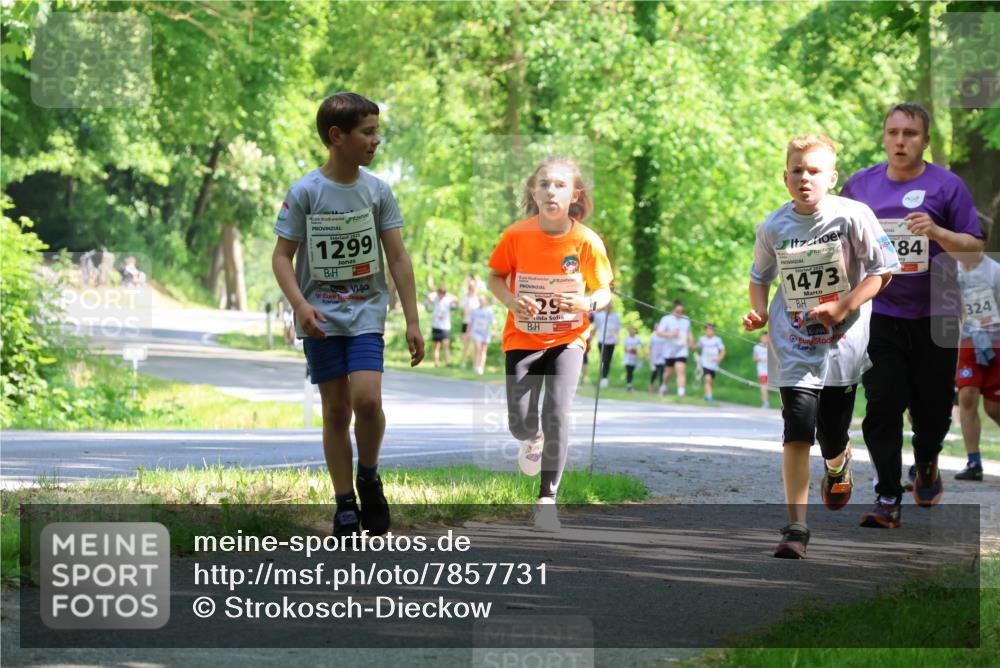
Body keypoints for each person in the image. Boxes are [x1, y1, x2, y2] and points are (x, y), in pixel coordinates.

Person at [272, 92, 425, 538]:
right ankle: (344, 503)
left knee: (367, 400)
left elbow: (397, 257)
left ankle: (369, 475)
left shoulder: (377, 191)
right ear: (336, 137)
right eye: (368, 132)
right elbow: (282, 258)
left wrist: (412, 320)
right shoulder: (305, 192)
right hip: (319, 318)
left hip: (365, 313)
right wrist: (300, 305)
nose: (376, 140)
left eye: (377, 131)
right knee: (336, 412)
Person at [744, 134, 897, 559]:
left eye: (814, 171)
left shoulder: (853, 216)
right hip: (792, 343)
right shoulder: (774, 226)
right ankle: (796, 528)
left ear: (831, 178)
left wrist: (843, 304)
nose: (805, 178)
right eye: (797, 170)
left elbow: (883, 271)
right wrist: (758, 312)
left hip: (842, 343)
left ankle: (837, 461)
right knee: (796, 430)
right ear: (785, 177)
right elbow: (760, 276)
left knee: (832, 432)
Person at [841, 103, 982, 528]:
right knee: (882, 405)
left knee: (934, 412)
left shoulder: (948, 186)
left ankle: (926, 461)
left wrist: (937, 232)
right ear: (883, 137)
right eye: (893, 132)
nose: (901, 141)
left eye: (911, 134)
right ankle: (887, 497)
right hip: (879, 312)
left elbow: (974, 253)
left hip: (937, 313)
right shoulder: (860, 186)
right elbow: (835, 240)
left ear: (925, 140)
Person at [488, 156, 613, 531]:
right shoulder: (516, 235)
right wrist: (510, 300)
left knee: (557, 412)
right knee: (520, 420)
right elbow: (495, 277)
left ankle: (547, 500)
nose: (550, 190)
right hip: (522, 337)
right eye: (543, 184)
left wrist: (587, 303)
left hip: (568, 338)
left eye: (559, 184)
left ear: (575, 194)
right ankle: (532, 438)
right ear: (533, 191)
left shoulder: (586, 241)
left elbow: (604, 289)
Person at [954, 217, 1000, 482]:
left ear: (982, 241)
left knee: (994, 409)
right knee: (968, 396)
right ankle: (974, 462)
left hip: (995, 344)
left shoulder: (994, 272)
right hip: (968, 342)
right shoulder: (951, 271)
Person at [656, 300, 694, 397]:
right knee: (669, 372)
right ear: (673, 310)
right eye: (678, 311)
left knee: (680, 369)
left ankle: (681, 393)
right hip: (669, 350)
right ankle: (664, 385)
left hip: (682, 349)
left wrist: (691, 342)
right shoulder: (666, 319)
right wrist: (672, 334)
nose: (680, 313)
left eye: (682, 311)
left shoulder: (686, 319)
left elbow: (689, 332)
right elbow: (659, 333)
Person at [591, 304, 622, 388]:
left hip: (611, 342)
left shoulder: (616, 316)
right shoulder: (599, 316)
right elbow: (595, 327)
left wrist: (617, 338)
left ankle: (605, 378)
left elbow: (617, 329)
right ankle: (602, 377)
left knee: (608, 360)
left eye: (610, 305)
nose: (609, 306)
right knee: (604, 359)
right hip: (602, 341)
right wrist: (590, 338)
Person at [426, 286, 456, 366]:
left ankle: (448, 362)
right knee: (436, 345)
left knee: (446, 344)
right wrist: (435, 293)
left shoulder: (447, 299)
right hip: (436, 325)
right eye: (440, 293)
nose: (441, 295)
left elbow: (456, 299)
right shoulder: (435, 299)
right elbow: (429, 297)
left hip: (445, 326)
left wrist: (447, 294)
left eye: (443, 293)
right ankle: (436, 361)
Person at [695, 323, 725, 402]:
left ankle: (708, 394)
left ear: (714, 331)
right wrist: (697, 356)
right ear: (705, 331)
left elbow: (722, 351)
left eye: (711, 330)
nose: (709, 332)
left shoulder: (717, 340)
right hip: (705, 363)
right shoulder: (702, 339)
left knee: (711, 380)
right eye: (707, 330)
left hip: (714, 364)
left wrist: (719, 358)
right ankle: (709, 397)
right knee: (707, 378)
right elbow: (696, 347)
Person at [469, 293, 496, 375]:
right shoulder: (475, 311)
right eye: (479, 300)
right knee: (478, 348)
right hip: (476, 332)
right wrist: (468, 331)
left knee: (483, 350)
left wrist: (495, 332)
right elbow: (471, 322)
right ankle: (476, 366)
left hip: (485, 333)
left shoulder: (489, 311)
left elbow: (493, 322)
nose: (481, 301)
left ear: (485, 301)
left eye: (482, 300)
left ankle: (481, 367)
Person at [458, 278, 482, 368]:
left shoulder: (477, 299)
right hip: (467, 323)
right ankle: (463, 363)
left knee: (476, 346)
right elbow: (466, 311)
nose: (472, 290)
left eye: (474, 288)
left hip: (476, 325)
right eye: (471, 288)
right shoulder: (466, 299)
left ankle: (475, 365)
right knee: (466, 345)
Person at [622, 325, 644, 392]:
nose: (632, 331)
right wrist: (630, 349)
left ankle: (630, 384)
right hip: (628, 358)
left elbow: (641, 346)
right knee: (629, 371)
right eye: (630, 330)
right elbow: (625, 348)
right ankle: (629, 385)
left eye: (633, 330)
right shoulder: (627, 339)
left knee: (632, 371)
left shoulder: (637, 338)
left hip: (634, 358)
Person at [753, 332, 770, 408]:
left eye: (766, 337)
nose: (765, 339)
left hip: (772, 370)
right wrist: (759, 358)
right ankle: (765, 402)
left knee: (769, 386)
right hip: (762, 370)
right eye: (763, 337)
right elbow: (754, 358)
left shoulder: (772, 346)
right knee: (764, 385)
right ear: (761, 338)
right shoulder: (757, 347)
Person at [647, 326, 666, 392]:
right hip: (654, 358)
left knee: (662, 373)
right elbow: (650, 347)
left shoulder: (664, 336)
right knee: (654, 373)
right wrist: (649, 356)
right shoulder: (653, 337)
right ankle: (651, 385)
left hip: (662, 358)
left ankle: (661, 387)